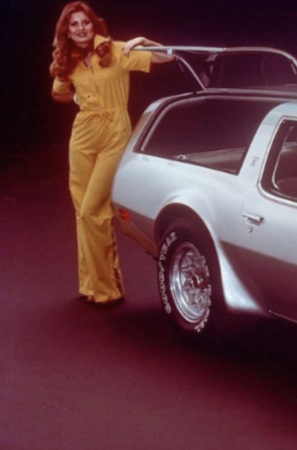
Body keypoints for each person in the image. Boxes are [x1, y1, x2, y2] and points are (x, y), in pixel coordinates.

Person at [49, 3, 174, 305]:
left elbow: (167, 56)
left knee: (94, 210)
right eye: (74, 24)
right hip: (82, 135)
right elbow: (58, 91)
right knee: (83, 211)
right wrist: (78, 96)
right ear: (66, 30)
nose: (80, 28)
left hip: (115, 133)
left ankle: (107, 289)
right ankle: (90, 283)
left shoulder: (116, 50)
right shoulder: (68, 59)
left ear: (94, 25)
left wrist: (144, 41)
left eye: (85, 23)